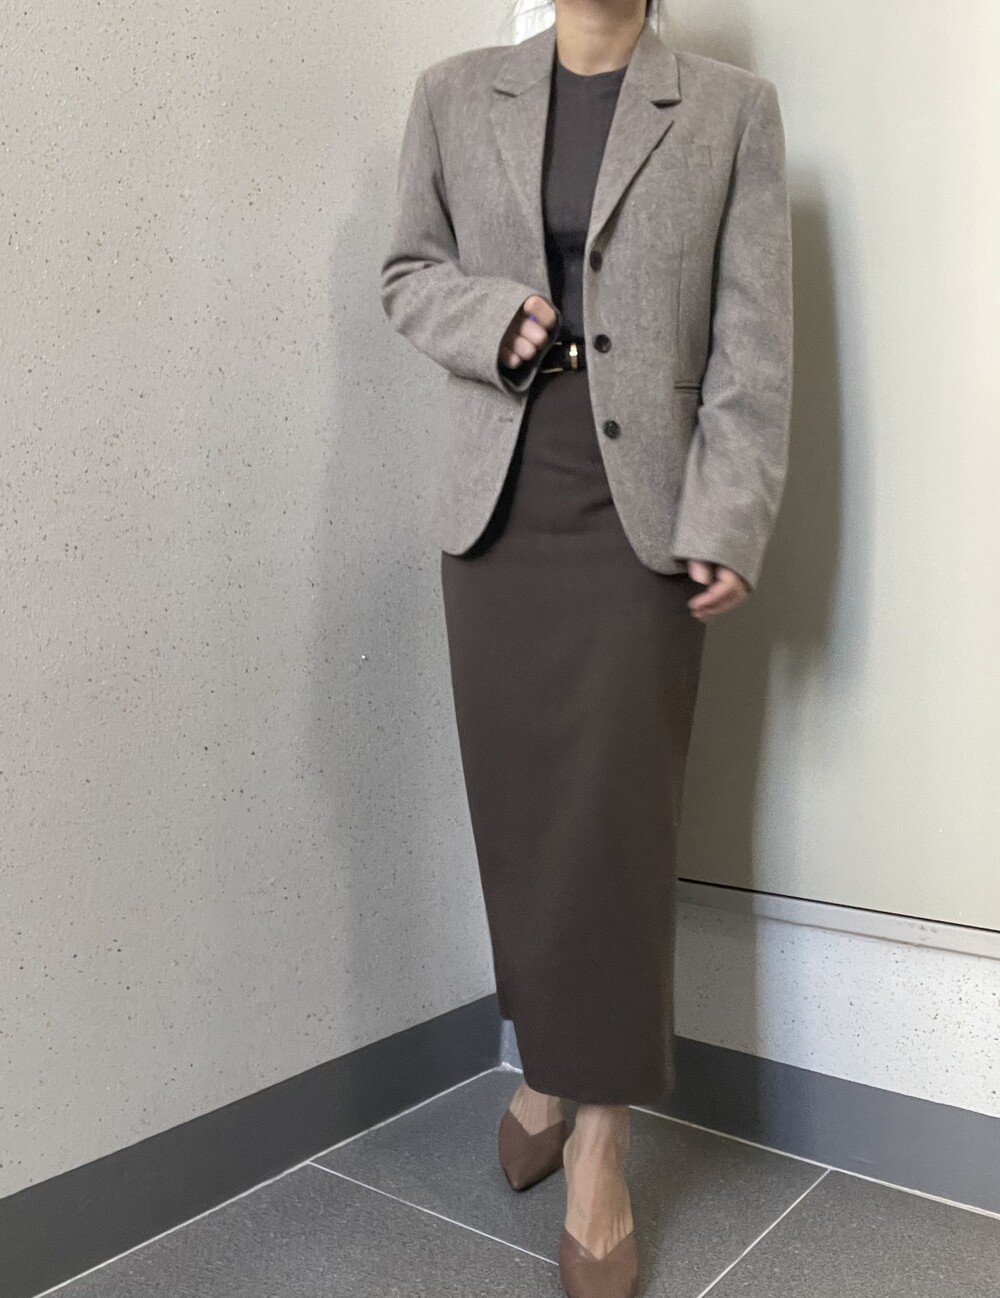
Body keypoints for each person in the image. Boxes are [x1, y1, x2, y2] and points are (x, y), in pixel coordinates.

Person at [379, 2, 793, 1294]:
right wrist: (490, 316)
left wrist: (729, 515)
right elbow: (406, 273)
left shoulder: (730, 108)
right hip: (496, 510)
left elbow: (754, 341)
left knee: (613, 822)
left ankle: (600, 1136)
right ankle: (547, 1071)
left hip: (641, 517)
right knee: (520, 810)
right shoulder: (453, 91)